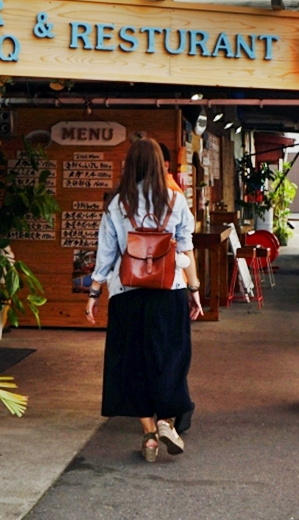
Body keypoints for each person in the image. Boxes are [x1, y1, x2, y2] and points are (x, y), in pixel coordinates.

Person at [85, 138, 203, 462]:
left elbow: (106, 254)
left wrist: (94, 293)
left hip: (127, 293)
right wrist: (194, 290)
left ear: (130, 165)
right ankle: (167, 421)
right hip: (170, 292)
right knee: (170, 359)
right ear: (158, 164)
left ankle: (150, 435)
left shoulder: (116, 203)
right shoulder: (176, 200)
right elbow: (186, 247)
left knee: (132, 363)